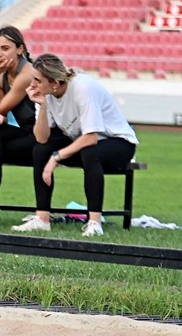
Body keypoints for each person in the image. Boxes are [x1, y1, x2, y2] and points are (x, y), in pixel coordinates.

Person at [17, 53, 138, 237]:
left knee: (90, 152)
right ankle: (42, 219)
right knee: (40, 150)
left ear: (55, 83)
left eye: (37, 80)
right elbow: (41, 138)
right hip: (82, 141)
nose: (32, 85)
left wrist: (56, 158)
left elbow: (91, 137)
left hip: (119, 143)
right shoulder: (45, 94)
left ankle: (95, 223)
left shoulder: (82, 87)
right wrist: (42, 106)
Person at [0, 26, 63, 222]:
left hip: (49, 137)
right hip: (29, 135)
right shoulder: (3, 75)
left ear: (20, 49)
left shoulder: (27, 73)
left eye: (5, 48)